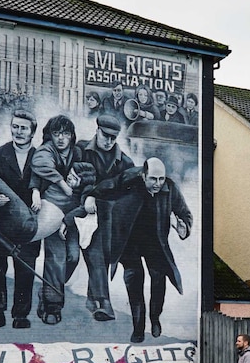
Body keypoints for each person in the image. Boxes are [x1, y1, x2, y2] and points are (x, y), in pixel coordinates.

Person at [88, 157, 192, 343]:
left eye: (161, 179)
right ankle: (138, 327)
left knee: (159, 280)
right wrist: (90, 196)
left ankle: (155, 318)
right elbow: (108, 186)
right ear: (143, 175)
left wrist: (184, 226)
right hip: (129, 241)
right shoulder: (129, 180)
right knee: (134, 281)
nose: (158, 184)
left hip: (155, 242)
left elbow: (184, 212)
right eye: (153, 179)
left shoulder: (169, 188)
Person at [0, 110, 42, 331]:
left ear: (33, 132)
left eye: (24, 128)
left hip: (28, 224)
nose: (18, 131)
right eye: (15, 126)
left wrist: (38, 194)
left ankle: (21, 314)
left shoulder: (42, 158)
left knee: (25, 268)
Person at [78, 114, 135, 321]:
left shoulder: (125, 162)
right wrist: (87, 197)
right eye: (105, 136)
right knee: (96, 254)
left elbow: (131, 191)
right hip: (82, 213)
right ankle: (104, 303)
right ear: (97, 130)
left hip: (110, 219)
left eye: (113, 137)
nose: (109, 141)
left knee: (100, 255)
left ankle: (93, 299)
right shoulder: (81, 150)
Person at [29, 115, 83, 324]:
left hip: (73, 214)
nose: (61, 138)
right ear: (50, 135)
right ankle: (52, 306)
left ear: (72, 135)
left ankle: (49, 290)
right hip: (52, 209)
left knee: (73, 258)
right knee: (56, 258)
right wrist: (35, 190)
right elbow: (38, 169)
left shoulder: (78, 153)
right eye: (56, 133)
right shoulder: (46, 150)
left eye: (66, 133)